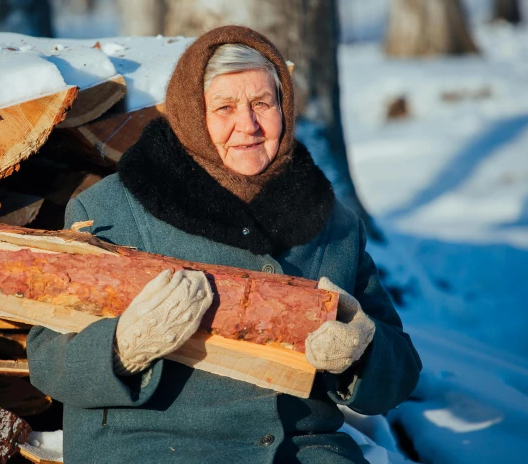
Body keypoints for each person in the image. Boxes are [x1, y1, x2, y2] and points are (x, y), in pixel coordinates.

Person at [27, 25, 422, 463]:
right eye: (225, 107)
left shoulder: (333, 225)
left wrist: (360, 352)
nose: (247, 126)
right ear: (192, 114)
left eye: (262, 103)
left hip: (298, 450)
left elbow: (400, 374)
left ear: (285, 108)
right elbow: (47, 360)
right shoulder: (112, 210)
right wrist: (122, 346)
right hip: (148, 447)